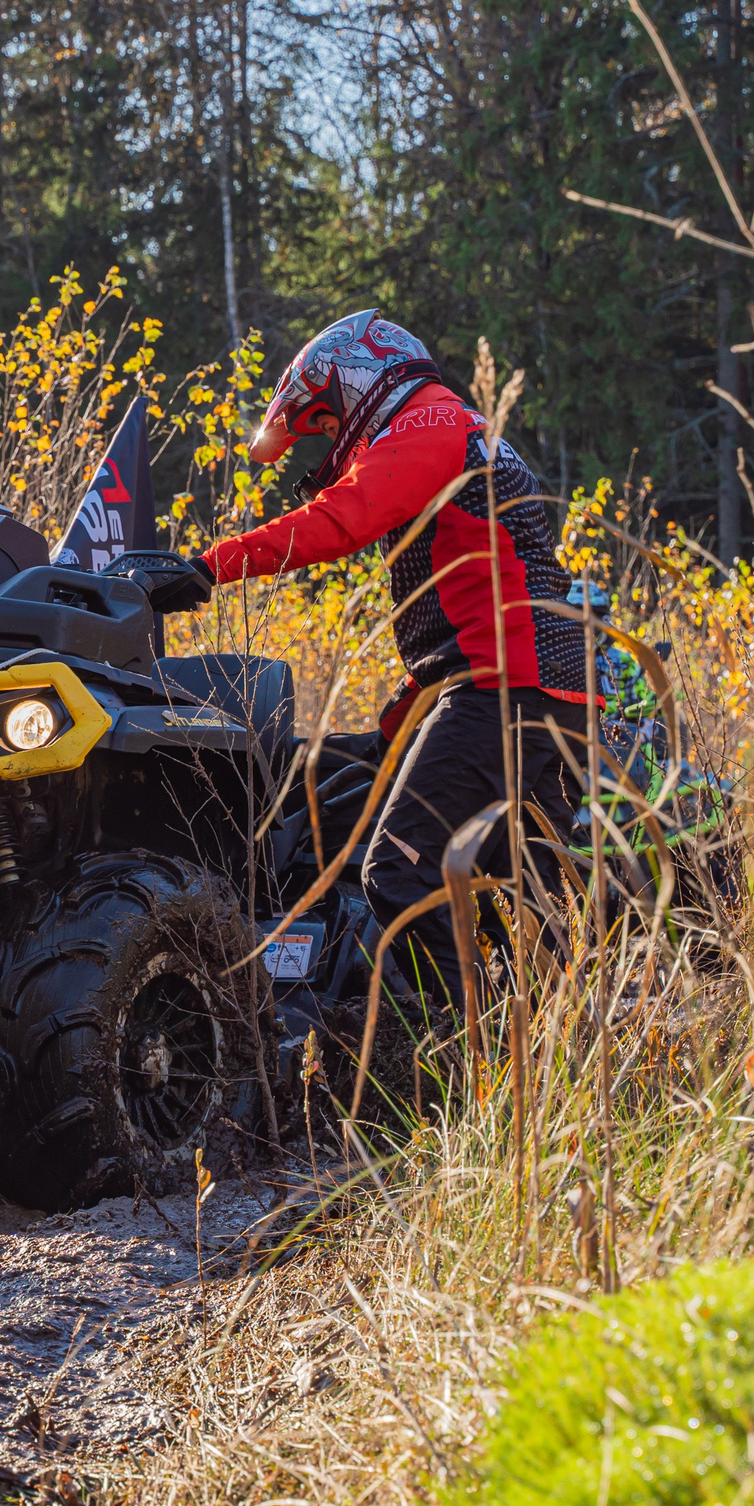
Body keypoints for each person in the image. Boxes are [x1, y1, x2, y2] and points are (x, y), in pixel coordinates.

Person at [141, 310, 597, 1031]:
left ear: (356, 384)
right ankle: (551, 1057)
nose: (326, 441)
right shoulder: (460, 430)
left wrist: (206, 567)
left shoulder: (429, 425)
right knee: (522, 890)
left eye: (323, 424)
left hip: (504, 687)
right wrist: (395, 728)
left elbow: (337, 520)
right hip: (544, 688)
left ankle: (470, 1057)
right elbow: (477, 603)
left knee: (400, 870)